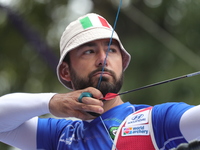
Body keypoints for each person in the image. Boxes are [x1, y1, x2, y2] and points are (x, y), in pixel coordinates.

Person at [0, 13, 199, 150]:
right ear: (66, 71)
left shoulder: (155, 122)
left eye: (111, 50)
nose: (103, 59)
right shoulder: (60, 136)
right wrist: (52, 102)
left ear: (122, 62)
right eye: (89, 51)